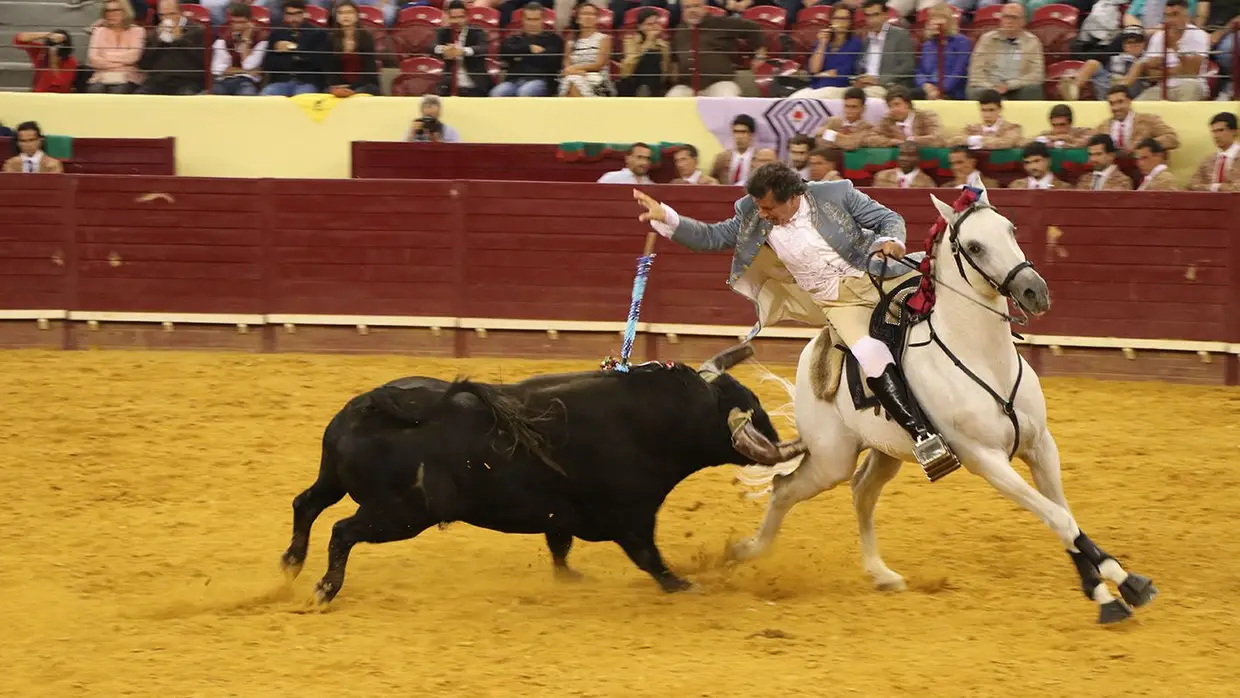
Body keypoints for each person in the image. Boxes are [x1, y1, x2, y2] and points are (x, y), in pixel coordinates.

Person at [631, 163, 958, 475]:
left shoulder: (836, 193)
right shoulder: (752, 214)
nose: (762, 213)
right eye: (759, 206)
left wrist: (891, 240)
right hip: (838, 301)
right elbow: (712, 237)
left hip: (878, 272)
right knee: (870, 355)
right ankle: (923, 436)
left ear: (792, 197)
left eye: (769, 207)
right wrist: (669, 219)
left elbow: (888, 218)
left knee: (949, 287)